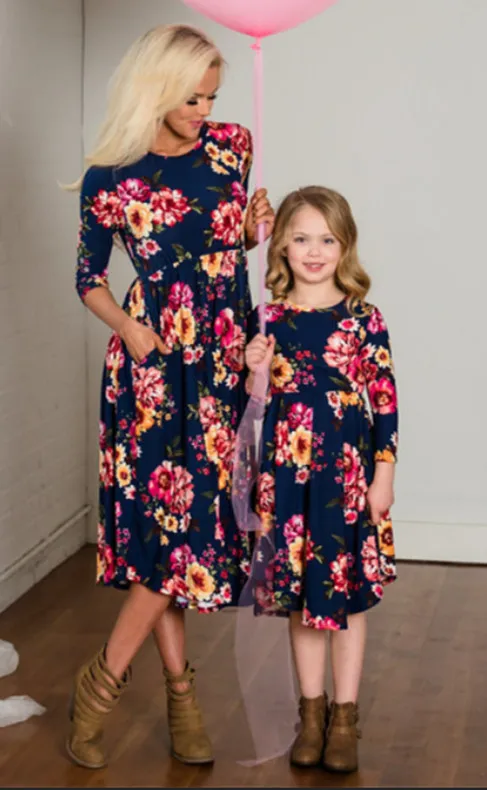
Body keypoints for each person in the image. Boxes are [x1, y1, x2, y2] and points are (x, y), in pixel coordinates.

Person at [67, 24, 274, 770]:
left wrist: (252, 233)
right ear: (157, 87)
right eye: (192, 97)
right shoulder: (110, 176)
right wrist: (130, 329)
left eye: (212, 96)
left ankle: (118, 685)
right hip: (152, 367)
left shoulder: (232, 147)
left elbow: (218, 252)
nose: (204, 110)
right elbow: (88, 278)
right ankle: (167, 696)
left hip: (222, 360)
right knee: (168, 535)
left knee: (189, 533)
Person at [244, 186, 398, 773]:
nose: (314, 251)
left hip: (347, 479)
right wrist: (254, 371)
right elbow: (255, 409)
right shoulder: (270, 319)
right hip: (288, 479)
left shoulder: (363, 319)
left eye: (327, 240)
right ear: (281, 245)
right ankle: (311, 715)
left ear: (345, 245)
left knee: (346, 598)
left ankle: (345, 718)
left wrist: (383, 477)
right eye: (302, 238)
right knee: (301, 600)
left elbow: (385, 403)